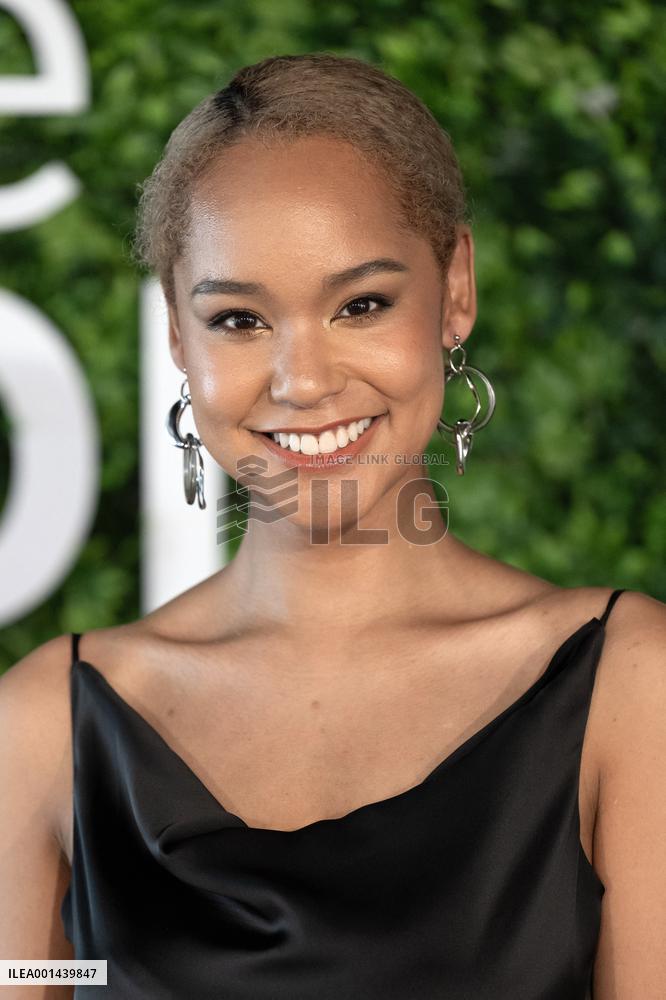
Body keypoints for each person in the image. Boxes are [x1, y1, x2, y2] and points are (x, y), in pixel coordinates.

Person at [1, 52, 664, 1000]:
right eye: (238, 320)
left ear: (456, 288)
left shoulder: (628, 691)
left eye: (361, 305)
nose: (303, 382)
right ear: (177, 335)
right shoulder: (42, 729)